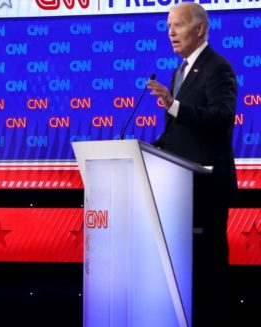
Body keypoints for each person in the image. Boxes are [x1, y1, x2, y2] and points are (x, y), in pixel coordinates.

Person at [146, 3, 237, 326]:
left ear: (199, 29)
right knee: (185, 274)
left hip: (206, 188)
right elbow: (177, 133)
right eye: (168, 26)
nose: (170, 32)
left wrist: (174, 105)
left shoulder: (217, 68)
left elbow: (222, 118)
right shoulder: (179, 70)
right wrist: (144, 149)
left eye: (178, 25)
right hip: (178, 191)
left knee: (208, 272)